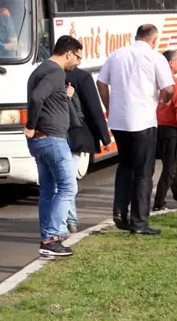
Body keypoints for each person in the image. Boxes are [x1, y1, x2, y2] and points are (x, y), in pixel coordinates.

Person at [96, 25, 174, 235]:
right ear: (154, 39)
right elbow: (169, 89)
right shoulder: (155, 57)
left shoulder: (116, 55)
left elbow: (101, 82)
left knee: (125, 166)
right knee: (143, 172)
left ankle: (120, 213)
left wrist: (109, 106)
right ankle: (139, 221)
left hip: (119, 121)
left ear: (136, 36)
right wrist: (164, 101)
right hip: (143, 120)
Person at [27, 36, 83, 257]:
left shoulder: (41, 70)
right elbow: (37, 97)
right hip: (52, 139)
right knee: (69, 188)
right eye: (78, 57)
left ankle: (48, 237)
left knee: (48, 191)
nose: (78, 63)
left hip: (42, 140)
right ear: (68, 53)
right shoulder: (55, 71)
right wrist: (30, 125)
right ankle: (51, 238)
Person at [64, 64, 110, 233]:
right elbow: (94, 109)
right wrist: (105, 137)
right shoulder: (81, 77)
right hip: (76, 136)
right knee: (68, 182)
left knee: (58, 182)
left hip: (51, 136)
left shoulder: (46, 74)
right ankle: (71, 222)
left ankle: (64, 222)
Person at [153, 51, 177, 211]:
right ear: (170, 63)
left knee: (172, 165)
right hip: (172, 129)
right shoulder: (174, 83)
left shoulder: (156, 83)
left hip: (158, 127)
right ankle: (159, 203)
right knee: (170, 168)